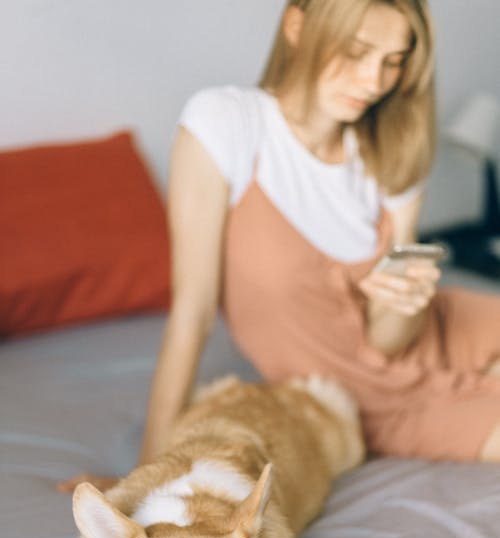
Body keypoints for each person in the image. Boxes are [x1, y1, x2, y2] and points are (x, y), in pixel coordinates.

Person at [59, 0, 500, 493]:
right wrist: (143, 476)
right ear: (297, 25)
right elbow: (194, 313)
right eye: (356, 52)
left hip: (444, 326)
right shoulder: (227, 124)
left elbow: (388, 340)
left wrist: (407, 302)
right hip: (374, 398)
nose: (374, 81)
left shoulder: (391, 149)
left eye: (393, 61)